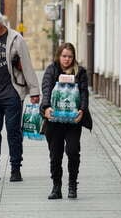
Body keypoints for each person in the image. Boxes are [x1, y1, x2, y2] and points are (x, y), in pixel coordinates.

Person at [0, 8, 40, 182]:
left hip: (11, 94)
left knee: (13, 132)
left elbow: (27, 65)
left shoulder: (16, 39)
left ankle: (15, 169)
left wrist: (34, 91)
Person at [40, 42, 92, 199]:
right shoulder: (52, 70)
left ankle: (72, 185)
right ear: (59, 56)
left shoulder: (80, 72)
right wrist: (46, 107)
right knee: (55, 155)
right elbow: (46, 89)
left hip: (73, 121)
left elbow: (84, 93)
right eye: (64, 56)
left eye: (70, 56)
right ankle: (56, 187)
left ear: (73, 57)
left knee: (72, 151)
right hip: (54, 121)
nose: (67, 59)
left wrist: (82, 110)